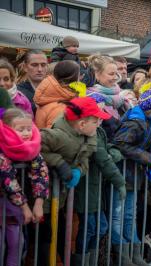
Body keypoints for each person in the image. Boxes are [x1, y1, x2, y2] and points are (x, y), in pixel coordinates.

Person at [38, 97, 106, 265]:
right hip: (42, 197)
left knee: (61, 234)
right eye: (95, 120)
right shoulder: (57, 135)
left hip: (60, 196)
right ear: (82, 124)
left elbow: (85, 159)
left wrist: (78, 171)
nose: (99, 123)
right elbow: (36, 146)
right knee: (45, 238)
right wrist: (58, 163)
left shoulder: (86, 135)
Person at [113, 88, 151, 259]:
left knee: (130, 215)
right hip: (122, 174)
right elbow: (121, 144)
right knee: (118, 216)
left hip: (135, 176)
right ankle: (122, 256)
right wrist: (149, 158)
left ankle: (134, 254)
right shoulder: (135, 122)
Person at [72, 94, 128, 265]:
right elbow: (102, 157)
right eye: (97, 116)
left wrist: (113, 150)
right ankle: (81, 261)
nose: (100, 119)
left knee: (100, 227)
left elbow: (106, 147)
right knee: (88, 228)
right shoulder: (90, 133)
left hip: (95, 186)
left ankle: (92, 260)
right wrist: (120, 182)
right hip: (85, 187)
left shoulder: (99, 130)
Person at [0, 108, 49, 266]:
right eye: (20, 130)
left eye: (29, 128)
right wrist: (25, 207)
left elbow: (41, 173)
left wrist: (39, 202)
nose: (27, 133)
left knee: (17, 243)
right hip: (6, 202)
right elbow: (9, 180)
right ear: (7, 130)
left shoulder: (32, 148)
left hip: (14, 208)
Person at [87, 55, 133, 138]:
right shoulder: (90, 97)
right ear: (97, 74)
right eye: (111, 74)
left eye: (116, 74)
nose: (115, 77)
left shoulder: (120, 93)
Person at [34, 60, 80, 129]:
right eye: (79, 75)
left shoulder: (57, 97)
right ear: (74, 78)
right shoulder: (60, 107)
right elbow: (56, 138)